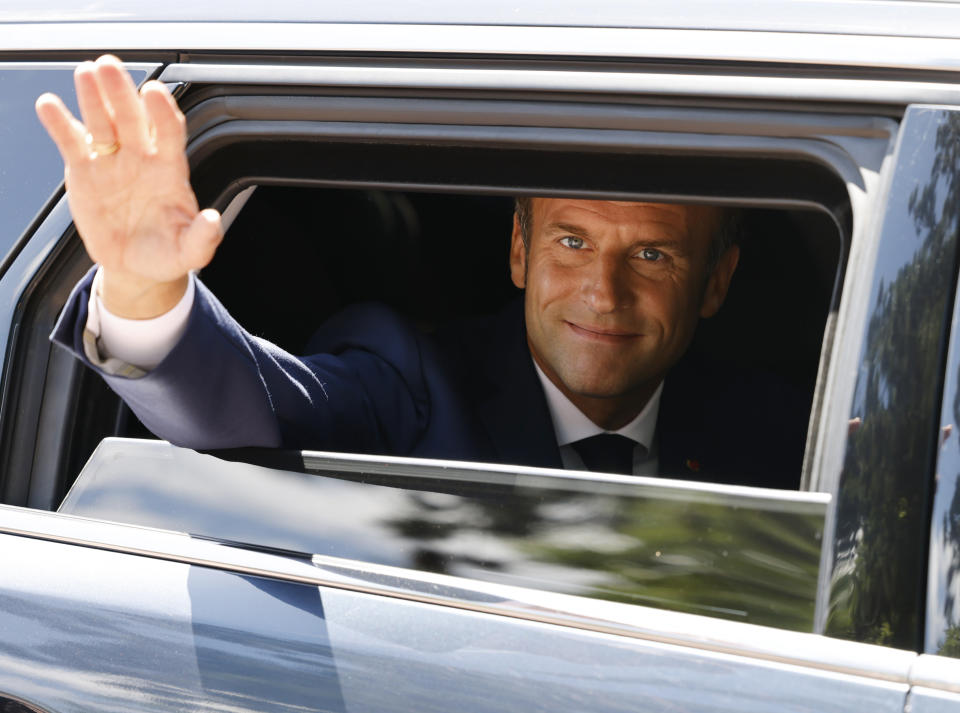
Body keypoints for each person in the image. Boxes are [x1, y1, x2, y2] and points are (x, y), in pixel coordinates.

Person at [37, 56, 806, 486]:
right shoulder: (413, 380)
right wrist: (147, 293)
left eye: (651, 255)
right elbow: (255, 412)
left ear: (715, 281)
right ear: (518, 251)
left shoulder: (774, 429)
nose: (604, 292)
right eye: (571, 242)